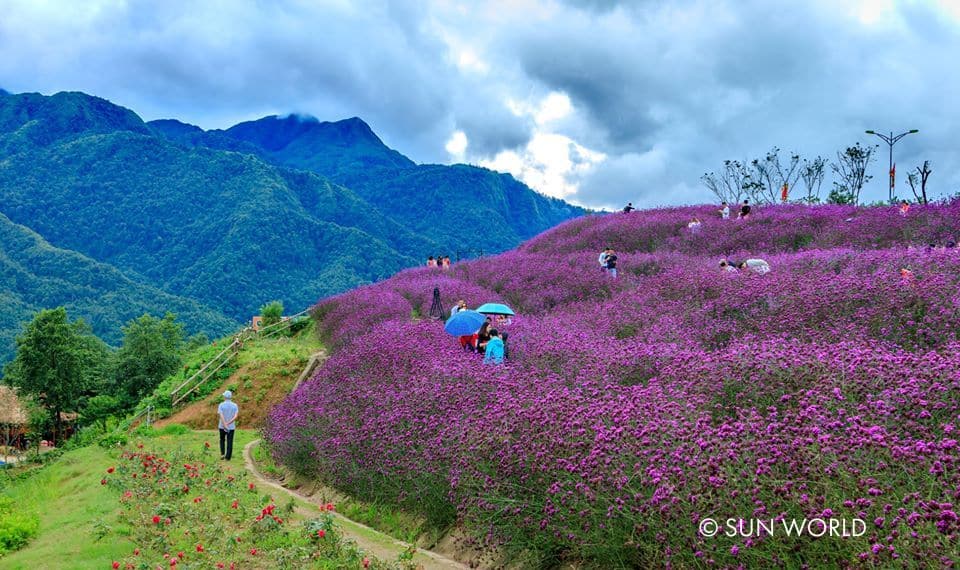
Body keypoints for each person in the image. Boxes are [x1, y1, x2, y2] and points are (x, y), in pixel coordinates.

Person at [217, 391, 239, 461]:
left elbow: (221, 415)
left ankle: (222, 454)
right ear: (230, 397)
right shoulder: (235, 405)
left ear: (224, 397)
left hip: (222, 426)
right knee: (230, 441)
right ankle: (228, 457)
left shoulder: (221, 405)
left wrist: (224, 424)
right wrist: (228, 423)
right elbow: (235, 416)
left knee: (222, 440)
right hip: (231, 427)